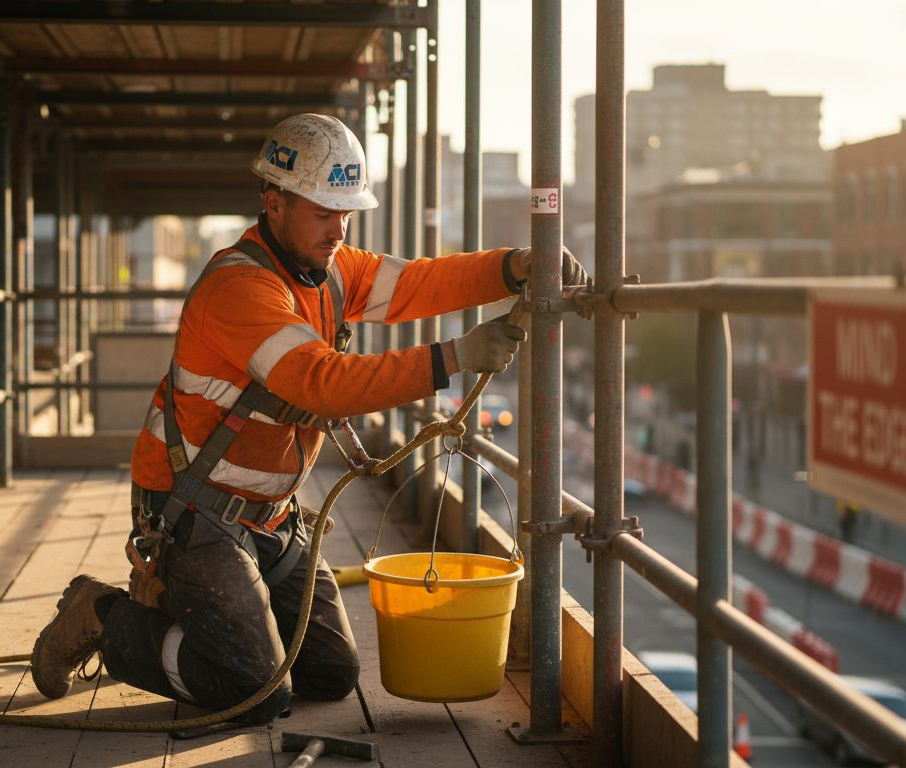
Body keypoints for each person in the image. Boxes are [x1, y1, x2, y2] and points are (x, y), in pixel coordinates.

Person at [29, 113, 588, 721]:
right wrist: (455, 356)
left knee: (332, 672)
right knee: (256, 692)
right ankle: (105, 616)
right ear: (274, 204)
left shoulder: (331, 271)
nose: (338, 227)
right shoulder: (239, 289)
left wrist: (512, 265)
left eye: (345, 211)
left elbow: (415, 284)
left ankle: (202, 613)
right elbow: (323, 384)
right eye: (323, 212)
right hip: (195, 512)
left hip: (269, 520)